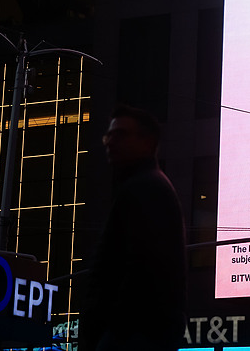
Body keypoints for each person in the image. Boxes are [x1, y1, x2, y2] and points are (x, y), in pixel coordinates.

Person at [80, 105, 187, 351]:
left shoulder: (145, 188)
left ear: (147, 142)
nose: (110, 142)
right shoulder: (147, 185)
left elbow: (137, 266)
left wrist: (107, 325)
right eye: (108, 135)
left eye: (120, 135)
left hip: (131, 333)